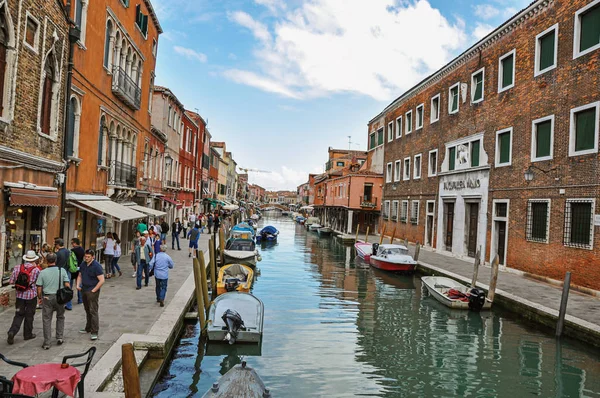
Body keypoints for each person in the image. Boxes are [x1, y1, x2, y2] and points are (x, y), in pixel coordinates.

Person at [36, 253, 70, 349]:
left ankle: (47, 342)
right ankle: (59, 337)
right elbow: (67, 285)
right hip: (59, 297)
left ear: (46, 260)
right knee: (60, 316)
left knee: (46, 319)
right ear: (56, 260)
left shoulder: (42, 272)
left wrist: (40, 297)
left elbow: (39, 288)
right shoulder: (62, 270)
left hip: (47, 297)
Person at [7, 250, 41, 345]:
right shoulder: (36, 270)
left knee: (18, 314)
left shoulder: (17, 267)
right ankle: (27, 334)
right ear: (34, 259)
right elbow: (39, 284)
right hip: (31, 296)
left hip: (20, 295)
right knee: (29, 315)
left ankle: (12, 332)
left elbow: (11, 281)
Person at [77, 250, 105, 340]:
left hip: (92, 290)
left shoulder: (96, 266)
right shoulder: (83, 264)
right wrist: (78, 285)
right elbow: (80, 275)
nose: (86, 258)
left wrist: (94, 290)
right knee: (87, 309)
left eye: (88, 257)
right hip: (84, 289)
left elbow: (101, 280)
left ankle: (94, 331)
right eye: (85, 256)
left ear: (93, 257)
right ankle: (88, 327)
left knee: (93, 310)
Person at [70, 238, 85, 306]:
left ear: (75, 243)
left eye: (72, 243)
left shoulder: (72, 251)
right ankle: (80, 299)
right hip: (80, 267)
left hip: (73, 268)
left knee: (70, 284)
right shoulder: (82, 249)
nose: (71, 244)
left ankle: (68, 300)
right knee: (79, 284)